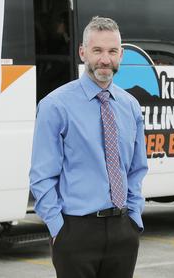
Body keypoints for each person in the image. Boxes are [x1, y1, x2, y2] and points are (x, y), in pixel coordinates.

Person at [29, 16, 148, 278]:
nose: (105, 59)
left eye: (112, 51)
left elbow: (137, 169)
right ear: (83, 53)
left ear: (121, 54)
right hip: (75, 233)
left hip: (122, 232)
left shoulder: (130, 107)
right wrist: (58, 228)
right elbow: (41, 175)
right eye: (97, 51)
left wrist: (133, 218)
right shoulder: (55, 106)